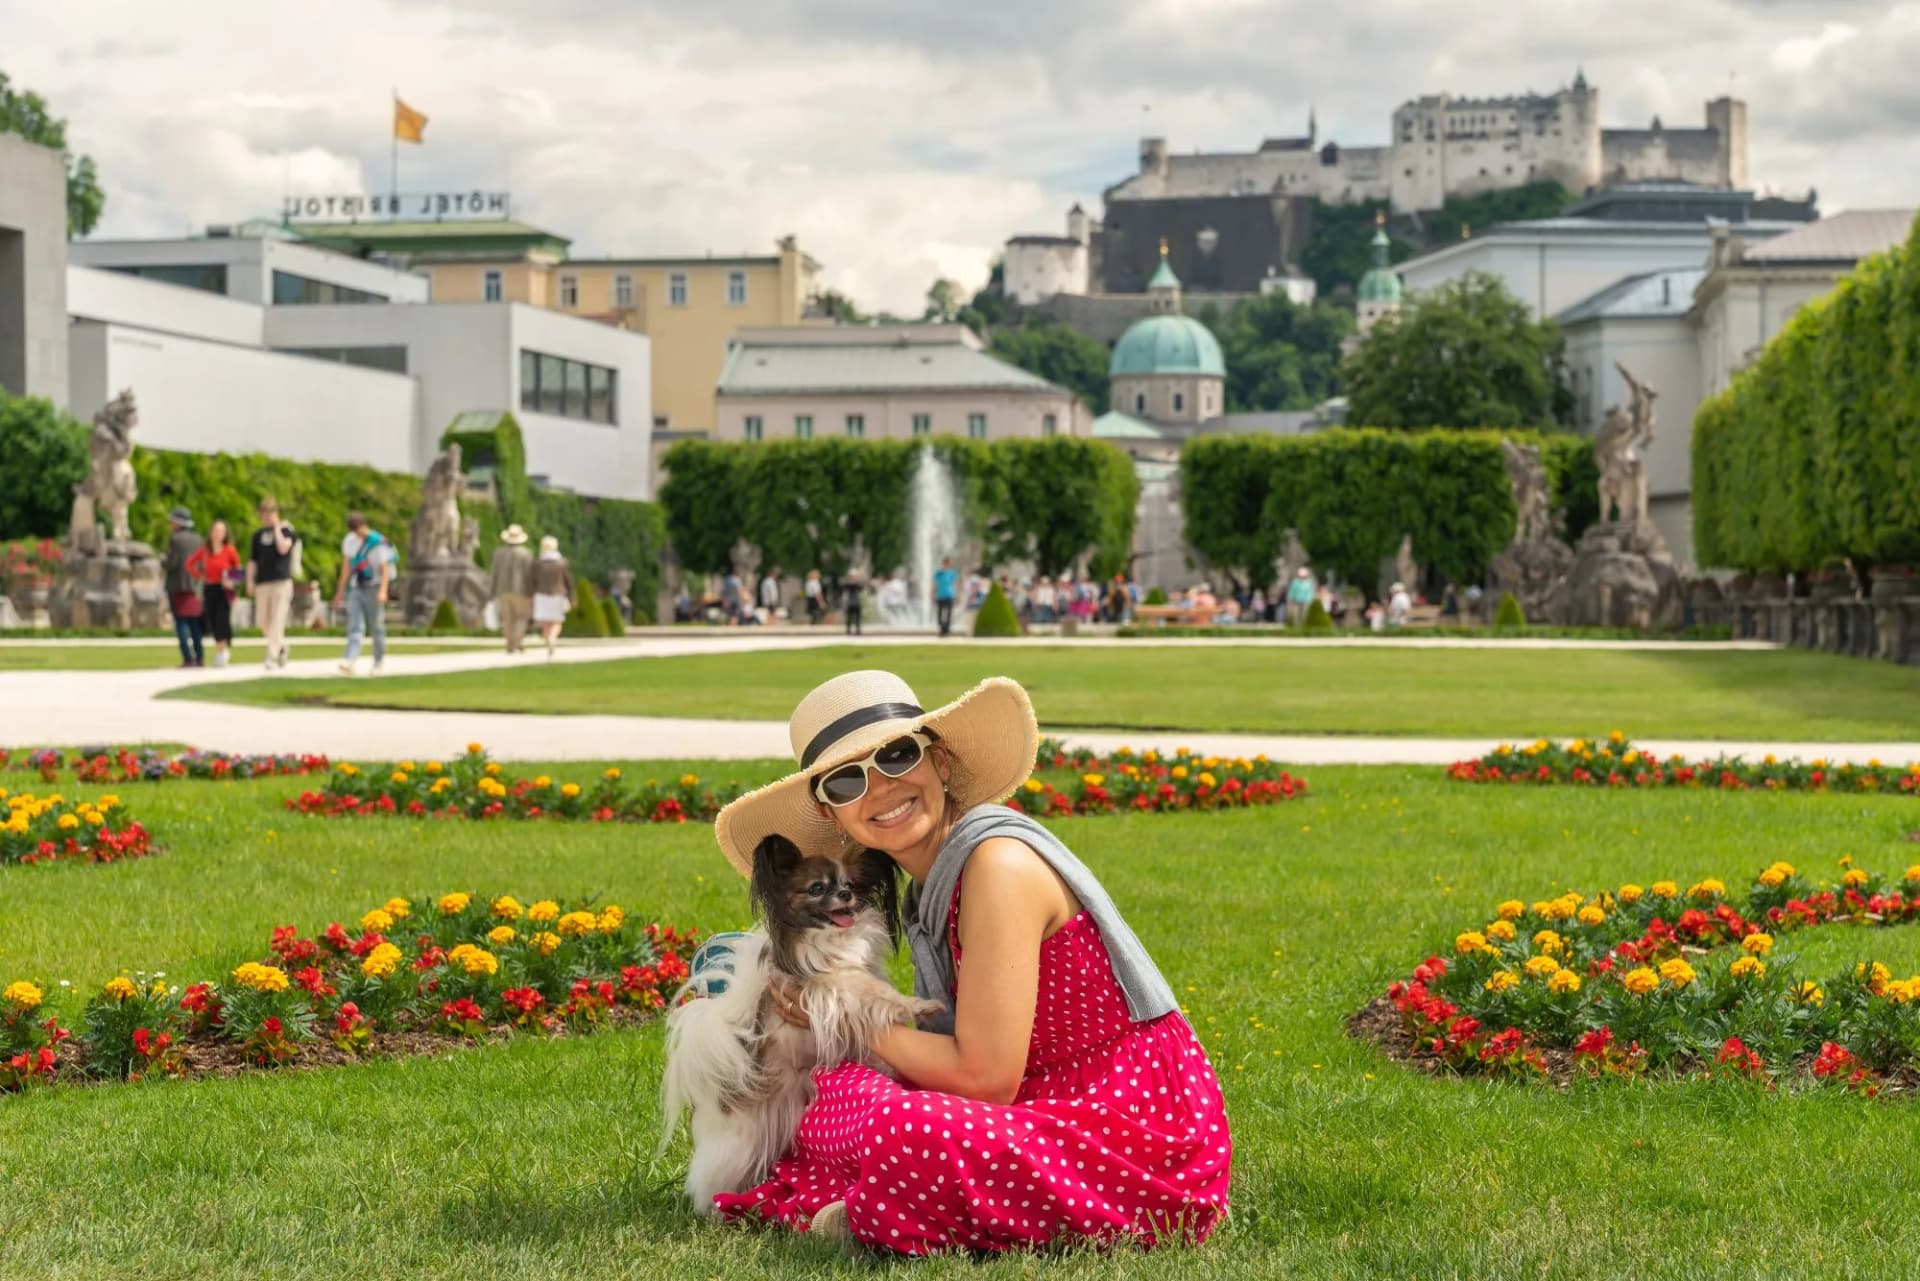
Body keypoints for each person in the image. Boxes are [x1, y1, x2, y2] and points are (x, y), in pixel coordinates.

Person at [704, 671, 1232, 1253]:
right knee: (828, 1087)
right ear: (832, 815)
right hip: (1040, 1097)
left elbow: (985, 1080)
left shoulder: (996, 866)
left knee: (903, 1128)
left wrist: (846, 1014)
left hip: (1129, 1131)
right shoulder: (934, 886)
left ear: (943, 764)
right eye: (846, 781)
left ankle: (879, 1198)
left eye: (898, 755)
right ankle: (885, 1191)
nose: (879, 788)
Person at [332, 511, 391, 675]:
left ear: (364, 526)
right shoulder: (349, 541)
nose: (357, 534)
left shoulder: (377, 542)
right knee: (355, 625)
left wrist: (383, 591)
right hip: (356, 586)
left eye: (359, 530)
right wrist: (340, 591)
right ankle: (350, 660)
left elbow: (384, 568)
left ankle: (378, 661)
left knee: (376, 626)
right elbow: (346, 567)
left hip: (375, 586)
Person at [246, 497, 299, 670]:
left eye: (271, 513)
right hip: (263, 582)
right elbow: (252, 561)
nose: (267, 516)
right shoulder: (257, 535)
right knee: (263, 622)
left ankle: (271, 656)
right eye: (265, 513)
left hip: (281, 582)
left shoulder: (286, 531)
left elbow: (283, 548)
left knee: (277, 619)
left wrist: (278, 528)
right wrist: (249, 581)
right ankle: (282, 647)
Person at [186, 519, 241, 668]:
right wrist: (200, 576)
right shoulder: (205, 551)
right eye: (215, 531)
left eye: (221, 531)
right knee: (212, 620)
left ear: (225, 534)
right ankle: (220, 649)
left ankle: (223, 651)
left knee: (222, 619)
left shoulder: (229, 550)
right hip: (209, 588)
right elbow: (189, 564)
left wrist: (231, 580)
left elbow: (238, 571)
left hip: (225, 589)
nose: (217, 534)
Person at [162, 506, 205, 669]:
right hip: (194, 587)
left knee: (181, 623)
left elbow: (171, 563)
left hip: (177, 587)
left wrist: (162, 561)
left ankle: (188, 658)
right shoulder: (198, 539)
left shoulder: (175, 539)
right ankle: (200, 657)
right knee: (194, 624)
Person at [489, 524, 535, 655]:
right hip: (522, 591)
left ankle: (511, 644)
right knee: (521, 618)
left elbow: (493, 574)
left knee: (507, 619)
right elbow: (529, 574)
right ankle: (516, 643)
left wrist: (491, 592)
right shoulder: (526, 554)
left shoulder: (498, 553)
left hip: (502, 591)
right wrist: (532, 591)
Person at [530, 534, 574, 659]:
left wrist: (531, 596)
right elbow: (568, 582)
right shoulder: (561, 563)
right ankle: (552, 637)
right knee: (556, 622)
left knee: (545, 623)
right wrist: (572, 598)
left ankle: (547, 640)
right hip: (557, 595)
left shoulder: (537, 563)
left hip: (541, 595)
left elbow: (532, 581)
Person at [933, 557, 959, 637]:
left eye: (948, 564)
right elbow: (935, 584)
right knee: (940, 614)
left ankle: (946, 631)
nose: (947, 565)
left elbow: (955, 584)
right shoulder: (938, 573)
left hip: (949, 595)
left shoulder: (952, 573)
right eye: (946, 563)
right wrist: (932, 594)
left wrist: (957, 595)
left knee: (948, 614)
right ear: (943, 563)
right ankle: (942, 629)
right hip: (940, 596)